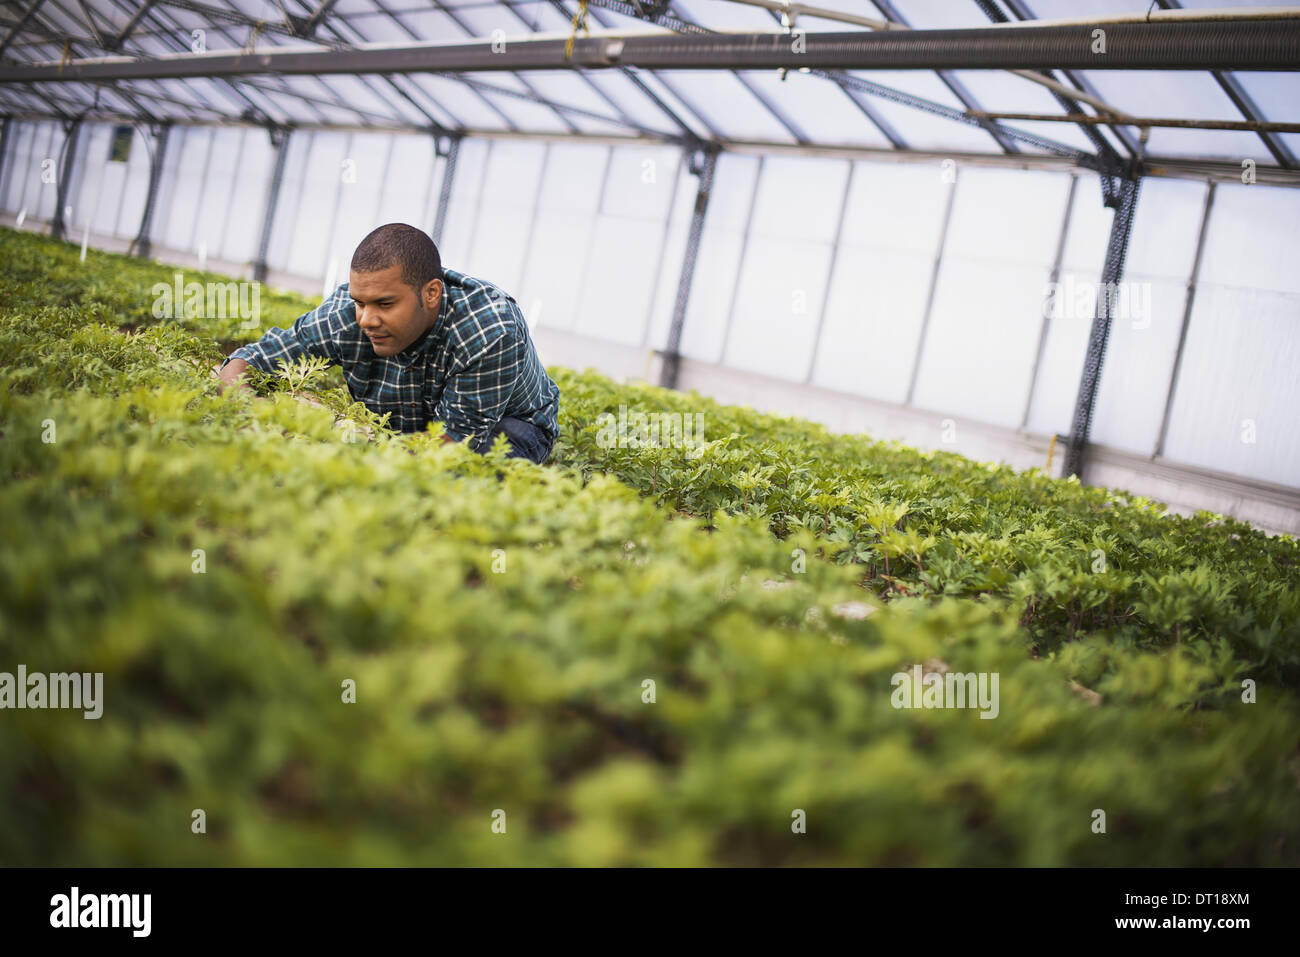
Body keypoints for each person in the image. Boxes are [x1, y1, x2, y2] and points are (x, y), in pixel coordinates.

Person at [216, 223, 560, 464]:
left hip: (512, 424)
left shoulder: (489, 329)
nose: (366, 319)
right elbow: (249, 360)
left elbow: (453, 444)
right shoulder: (346, 315)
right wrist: (247, 412)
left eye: (385, 304)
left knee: (459, 480)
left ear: (431, 294)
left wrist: (338, 458)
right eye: (360, 302)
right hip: (411, 428)